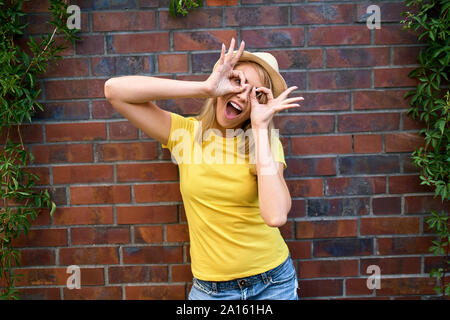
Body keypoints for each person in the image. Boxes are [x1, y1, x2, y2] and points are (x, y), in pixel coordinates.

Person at [104, 38, 304, 300]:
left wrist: (259, 127)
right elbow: (114, 90)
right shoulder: (185, 134)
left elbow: (276, 216)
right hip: (211, 291)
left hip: (272, 283)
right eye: (238, 81)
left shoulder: (265, 142)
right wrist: (206, 88)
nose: (242, 96)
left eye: (256, 94)